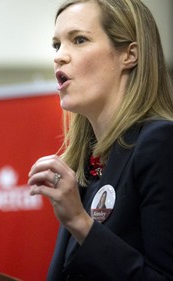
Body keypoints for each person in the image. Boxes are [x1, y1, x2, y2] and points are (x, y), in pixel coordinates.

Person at [28, 0, 173, 280]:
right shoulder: (86, 163)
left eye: (79, 40)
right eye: (56, 45)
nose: (59, 56)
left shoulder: (161, 143)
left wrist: (80, 223)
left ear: (129, 55)